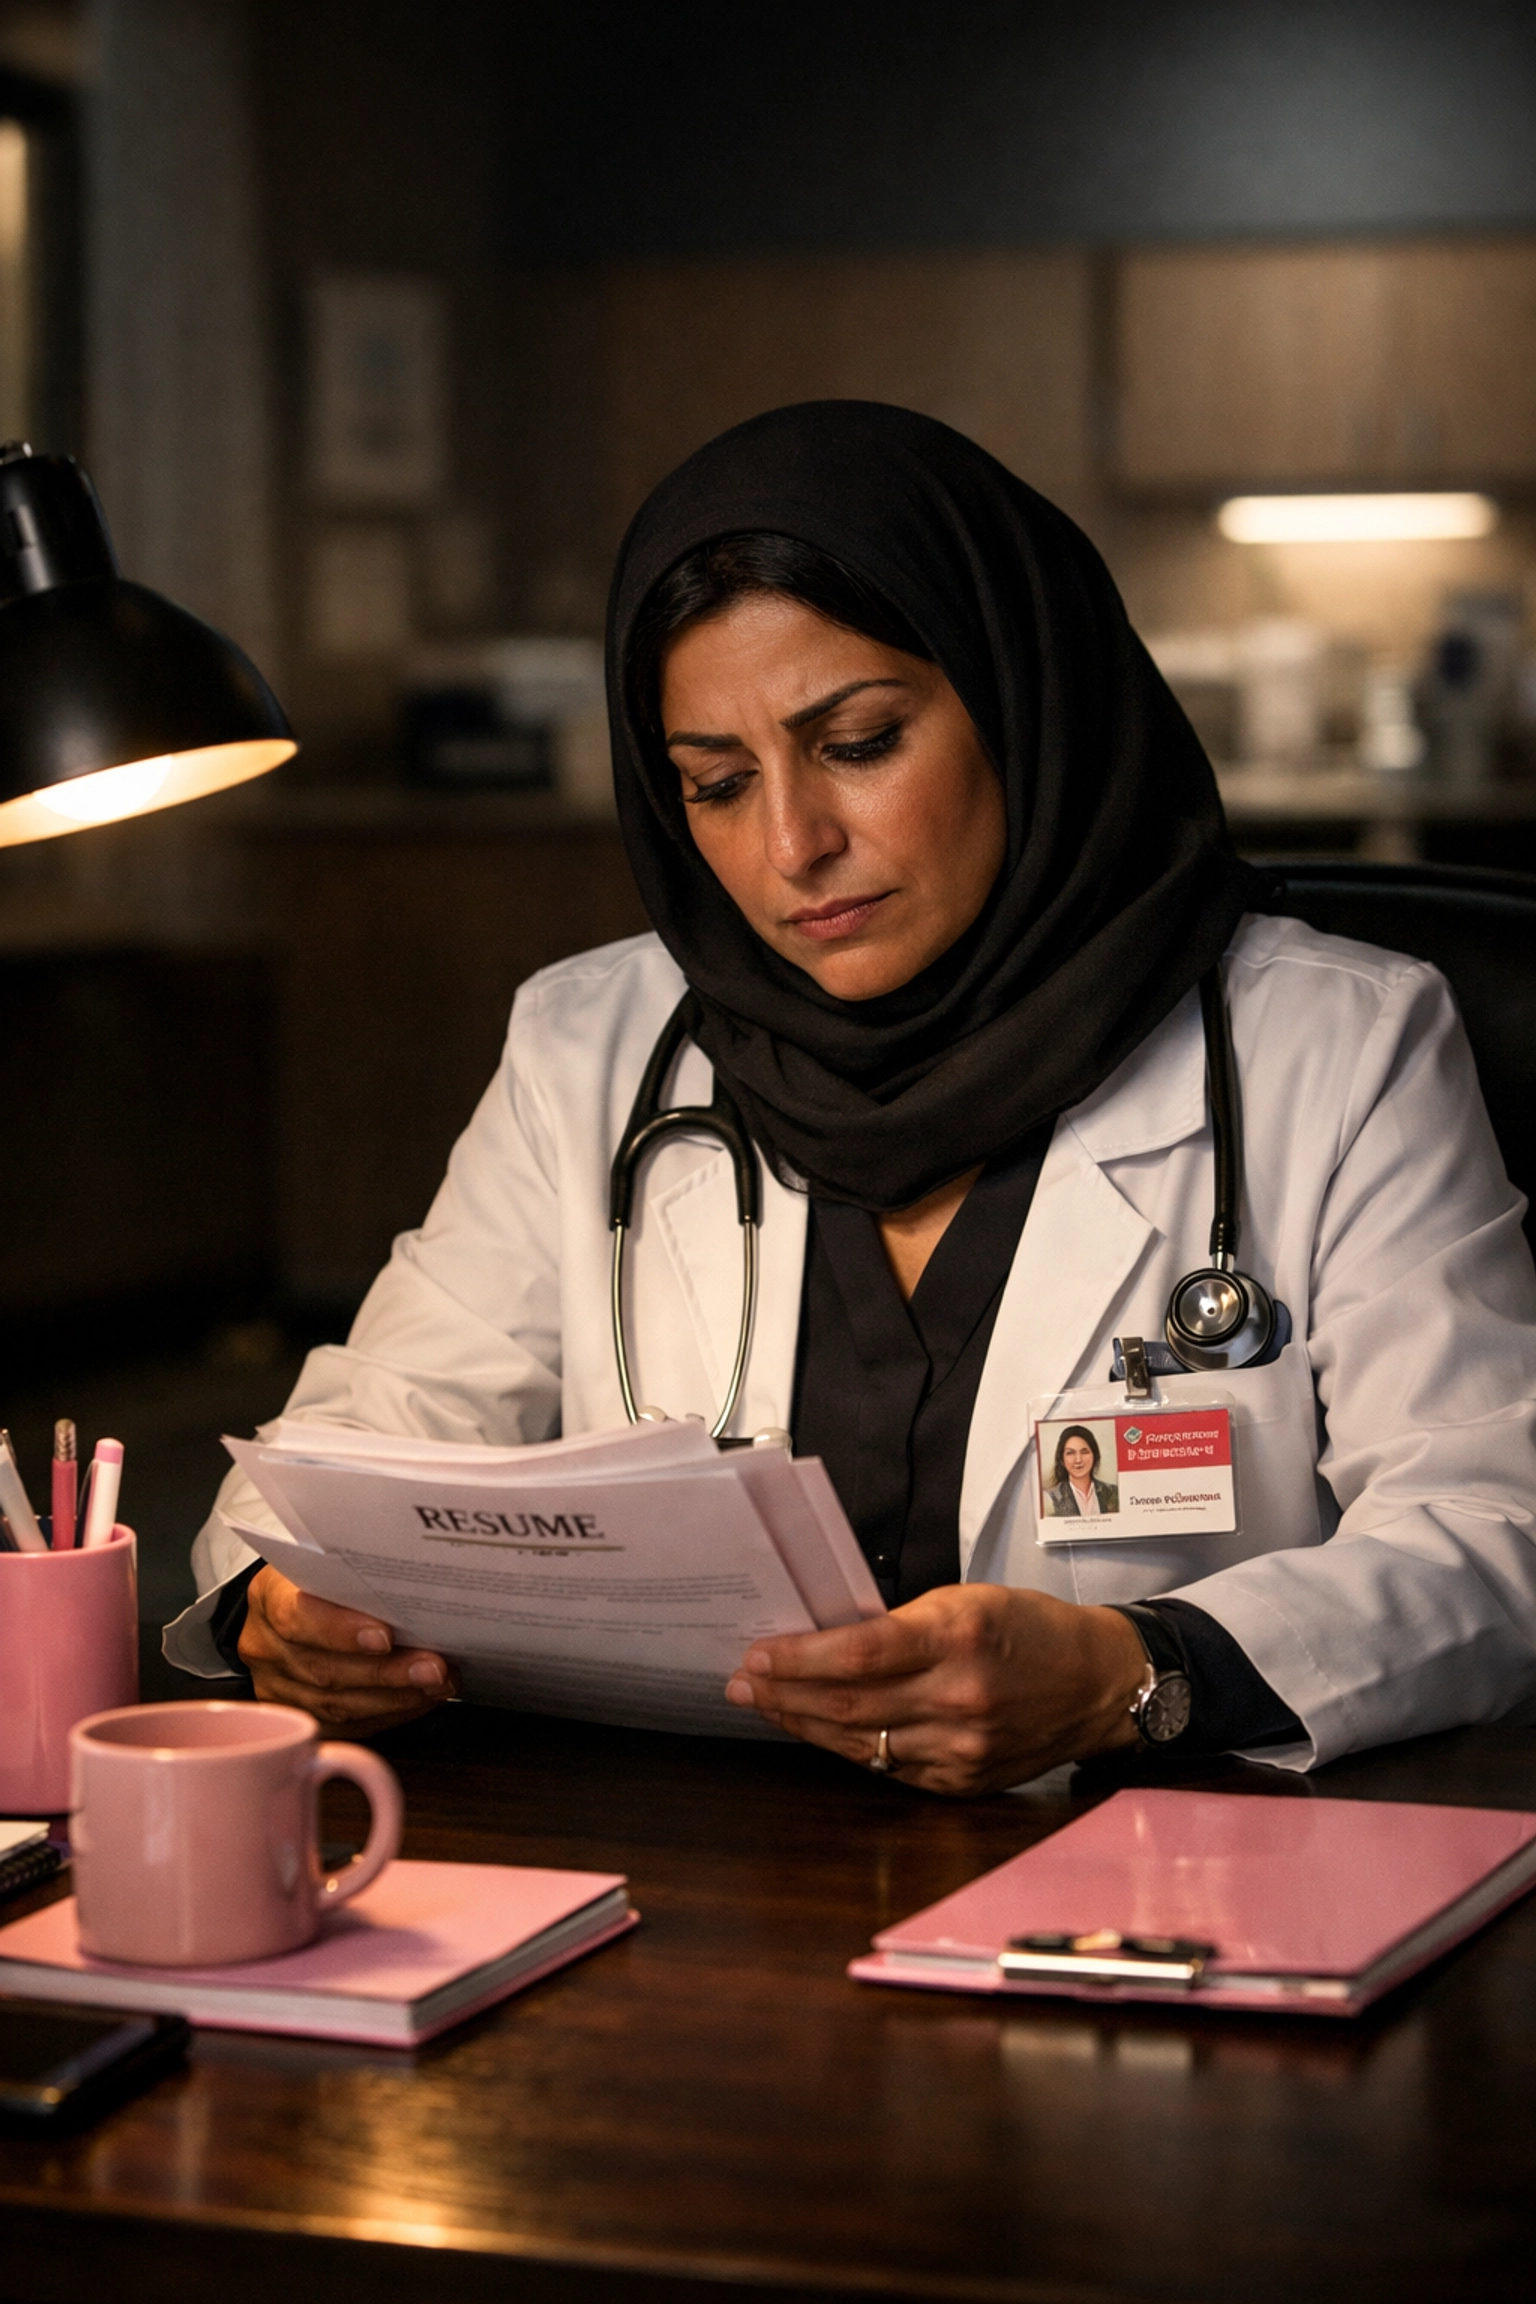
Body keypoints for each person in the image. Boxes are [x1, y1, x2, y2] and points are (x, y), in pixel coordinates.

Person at [166, 401, 1536, 1796]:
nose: (791, 847)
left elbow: (1492, 1528)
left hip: (1158, 1887)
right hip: (704, 1903)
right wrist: (282, 1611)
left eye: (861, 741)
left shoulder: (1338, 1048)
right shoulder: (595, 1046)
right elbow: (347, 1451)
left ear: (1018, 699)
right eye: (713, 783)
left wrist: (1138, 1672)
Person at [1043, 1428, 1118, 1519]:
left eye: (1084, 1452)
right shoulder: (1050, 1498)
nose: (1078, 1460)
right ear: (1062, 1459)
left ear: (1094, 1455)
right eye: (1070, 1453)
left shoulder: (1113, 1492)